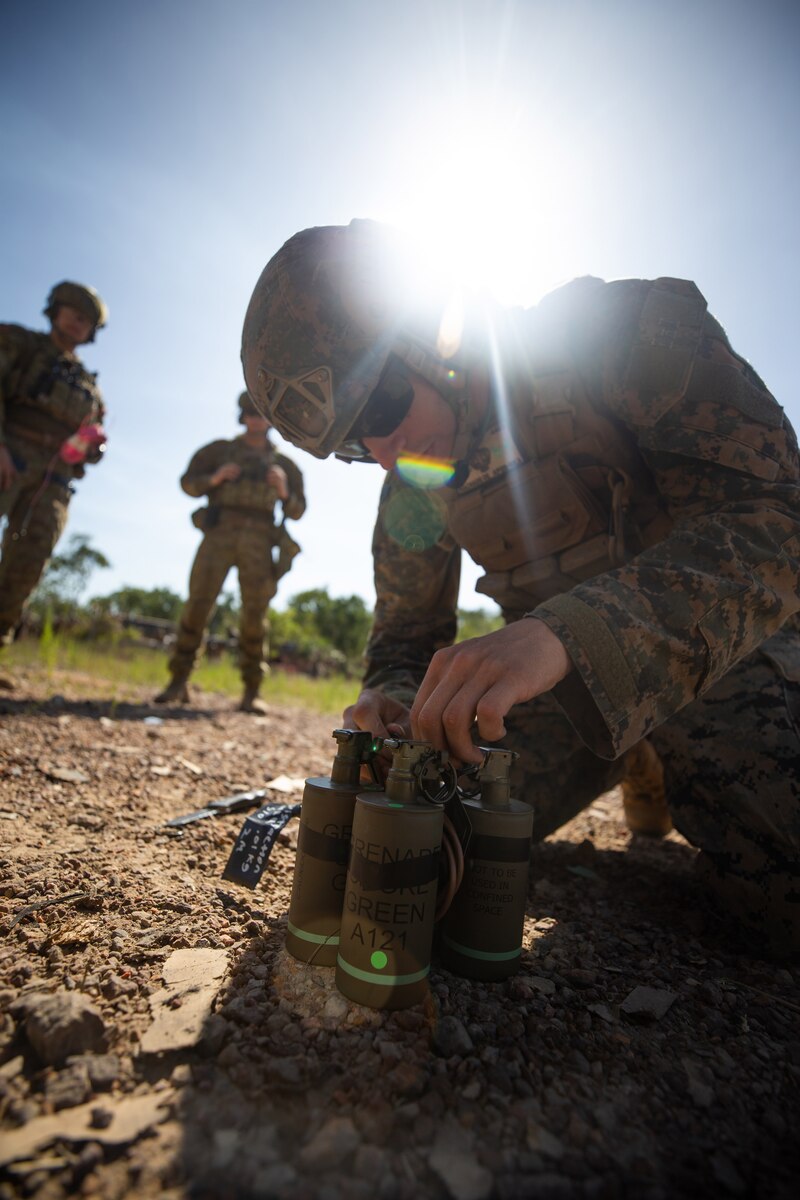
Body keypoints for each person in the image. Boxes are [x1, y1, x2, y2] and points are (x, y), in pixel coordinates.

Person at [241, 220, 800, 958]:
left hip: (729, 655)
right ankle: (637, 755)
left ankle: (661, 752)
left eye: (378, 410)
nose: (380, 456)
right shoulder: (416, 487)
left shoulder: (619, 336)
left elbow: (776, 523)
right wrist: (393, 699)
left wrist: (568, 635)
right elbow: (407, 635)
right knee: (421, 832)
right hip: (560, 698)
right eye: (352, 447)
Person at [155, 392, 306, 713]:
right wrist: (215, 477)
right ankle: (178, 681)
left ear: (271, 418)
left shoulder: (286, 465)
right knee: (198, 603)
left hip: (260, 540)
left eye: (262, 411)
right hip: (219, 532)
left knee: (255, 614)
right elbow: (187, 484)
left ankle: (253, 690)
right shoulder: (219, 451)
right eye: (250, 411)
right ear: (242, 415)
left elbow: (298, 511)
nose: (256, 418)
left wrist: (283, 490)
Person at [0, 282, 108, 689]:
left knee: (28, 560)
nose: (78, 321)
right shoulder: (20, 343)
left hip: (54, 477)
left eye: (87, 318)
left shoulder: (89, 385)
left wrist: (93, 447)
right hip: (9, 452)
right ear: (54, 310)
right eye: (73, 311)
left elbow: (88, 442)